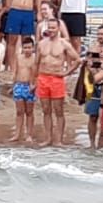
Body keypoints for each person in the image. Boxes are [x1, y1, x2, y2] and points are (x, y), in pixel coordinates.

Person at [34, 17, 78, 148]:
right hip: (43, 78)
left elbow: (77, 59)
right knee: (46, 110)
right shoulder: (41, 44)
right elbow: (36, 63)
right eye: (49, 27)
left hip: (56, 78)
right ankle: (48, 138)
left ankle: (58, 139)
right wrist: (34, 81)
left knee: (58, 110)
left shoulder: (64, 43)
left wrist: (67, 72)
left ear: (58, 29)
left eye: (54, 27)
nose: (51, 30)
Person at [3, 0, 40, 72]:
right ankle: (11, 67)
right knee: (12, 40)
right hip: (15, 10)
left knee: (27, 40)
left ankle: (26, 65)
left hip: (28, 11)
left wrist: (38, 12)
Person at [11, 36, 38, 145]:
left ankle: (29, 134)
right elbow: (15, 71)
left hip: (30, 86)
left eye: (29, 47)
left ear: (33, 48)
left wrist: (35, 85)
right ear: (22, 48)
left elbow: (38, 74)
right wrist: (13, 86)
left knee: (29, 112)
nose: (27, 50)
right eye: (25, 48)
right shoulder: (19, 57)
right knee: (19, 112)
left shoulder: (36, 58)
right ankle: (17, 134)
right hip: (19, 85)